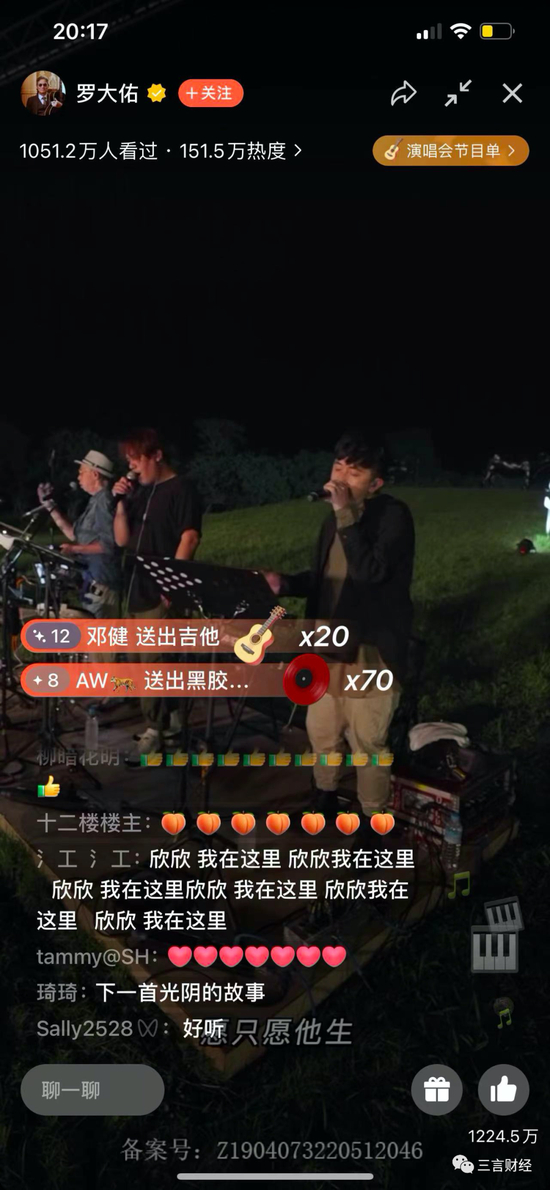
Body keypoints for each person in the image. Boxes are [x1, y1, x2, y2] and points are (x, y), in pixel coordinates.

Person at [264, 430, 415, 820]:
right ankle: (325, 795)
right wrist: (286, 583)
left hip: (371, 650)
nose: (340, 478)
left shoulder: (393, 516)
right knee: (322, 730)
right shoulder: (332, 522)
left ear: (375, 484)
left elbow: (370, 574)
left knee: (368, 740)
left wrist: (345, 514)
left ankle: (373, 817)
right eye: (338, 467)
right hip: (327, 645)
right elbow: (325, 577)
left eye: (354, 472)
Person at [112, 428, 202, 757]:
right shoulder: (139, 493)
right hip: (136, 588)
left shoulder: (181, 489)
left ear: (157, 455)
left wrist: (172, 582)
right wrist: (120, 504)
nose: (132, 467)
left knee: (155, 664)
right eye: (129, 461)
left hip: (161, 590)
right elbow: (122, 539)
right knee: (138, 662)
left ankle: (156, 729)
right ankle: (171, 723)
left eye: (136, 459)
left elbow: (190, 537)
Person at [37, 449, 120, 618]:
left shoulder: (104, 501)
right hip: (91, 582)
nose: (78, 477)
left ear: (95, 475)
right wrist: (50, 507)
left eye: (82, 472)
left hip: (102, 584)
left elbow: (108, 544)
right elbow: (74, 534)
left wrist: (74, 549)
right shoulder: (95, 501)